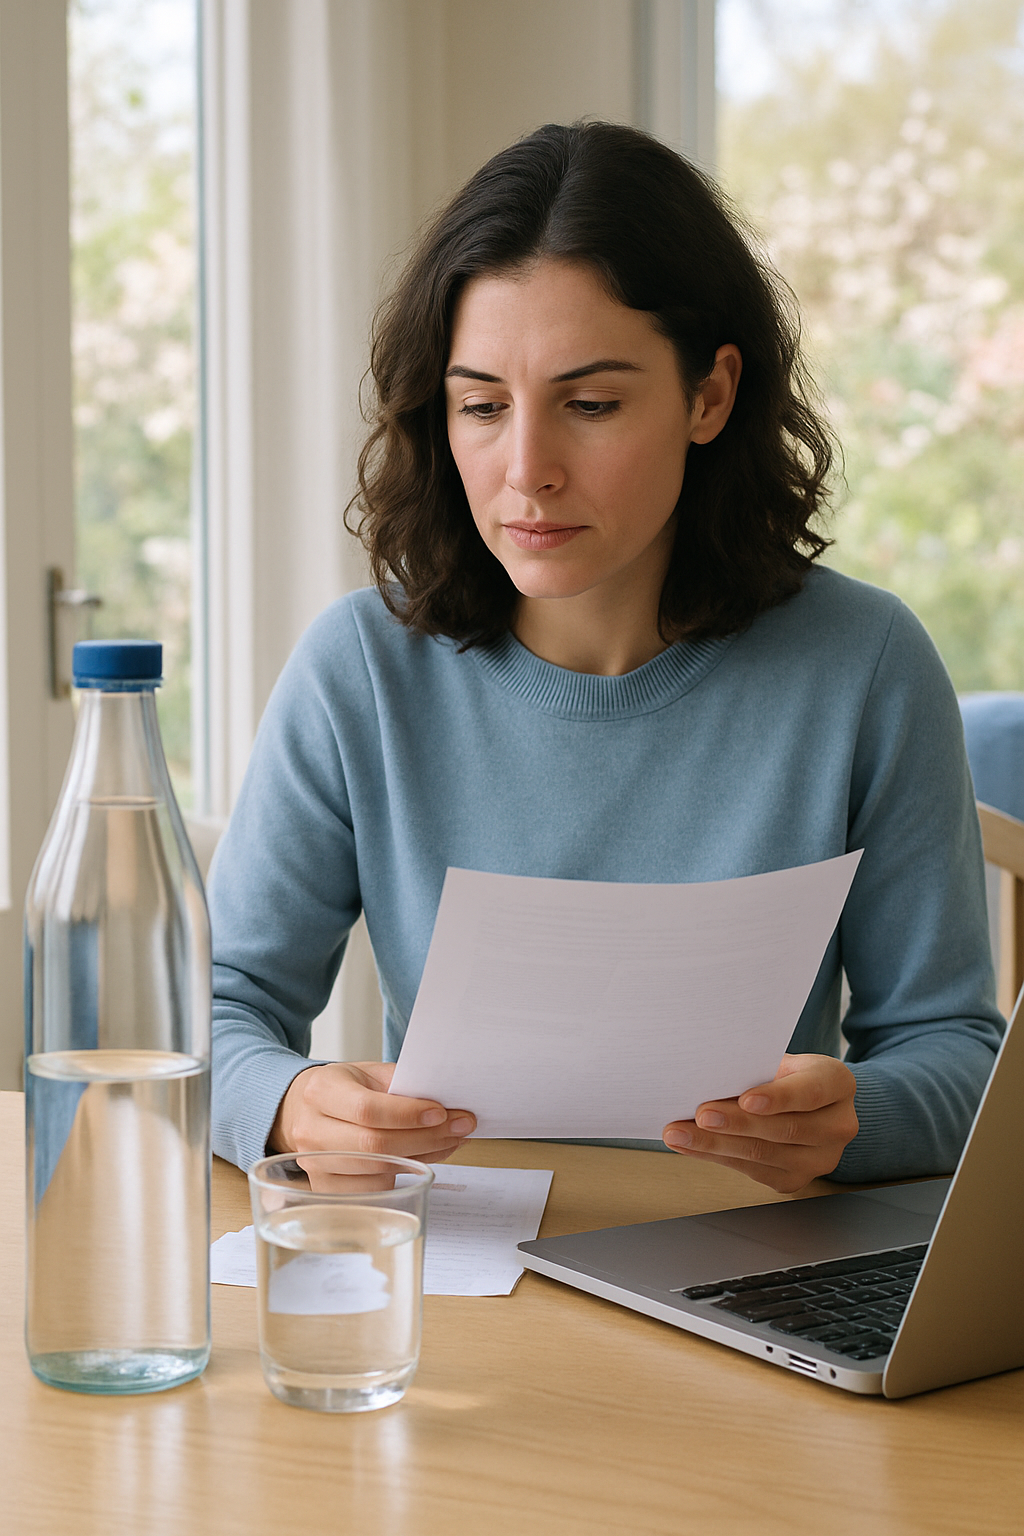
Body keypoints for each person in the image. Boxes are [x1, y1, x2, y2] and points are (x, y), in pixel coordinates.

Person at [209, 121, 1002, 1192]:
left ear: (709, 396)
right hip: (454, 1271)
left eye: (589, 404)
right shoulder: (360, 669)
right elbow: (211, 1010)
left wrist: (857, 1120)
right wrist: (289, 1101)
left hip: (749, 1263)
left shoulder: (864, 666)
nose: (525, 470)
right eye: (482, 406)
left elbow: (956, 1050)